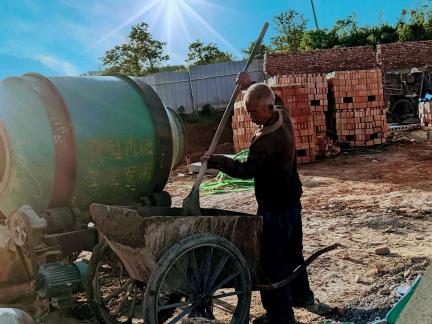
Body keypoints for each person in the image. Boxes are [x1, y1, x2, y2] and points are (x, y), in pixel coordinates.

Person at [202, 75, 328, 323]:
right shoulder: (283, 113)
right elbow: (274, 96)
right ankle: (302, 296)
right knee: (293, 252)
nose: (250, 117)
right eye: (248, 112)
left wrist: (213, 159)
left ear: (268, 109)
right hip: (292, 200)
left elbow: (245, 170)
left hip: (275, 208)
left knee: (272, 262)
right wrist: (250, 84)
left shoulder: (269, 140)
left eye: (254, 112)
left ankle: (280, 316)